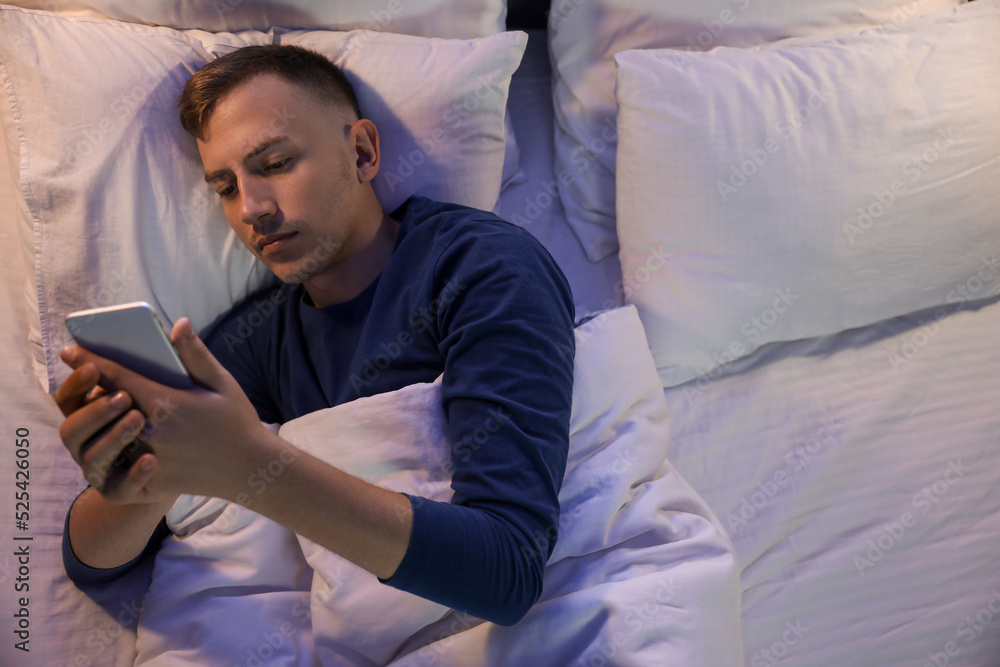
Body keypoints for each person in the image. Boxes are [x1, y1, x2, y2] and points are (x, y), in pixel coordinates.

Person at [55, 44, 575, 627]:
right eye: (225, 187)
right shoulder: (260, 340)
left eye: (275, 163)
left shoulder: (483, 268)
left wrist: (247, 465)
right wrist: (148, 474)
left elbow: (509, 569)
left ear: (362, 152)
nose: (250, 208)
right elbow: (93, 564)